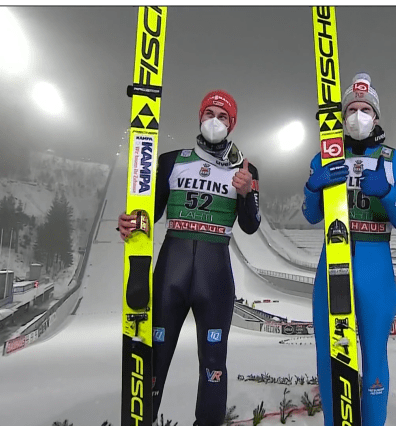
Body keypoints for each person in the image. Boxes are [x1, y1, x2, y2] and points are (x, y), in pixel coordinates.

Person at [118, 90, 261, 426]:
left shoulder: (245, 169)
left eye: (222, 117)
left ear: (232, 124)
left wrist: (246, 193)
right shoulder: (172, 161)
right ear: (200, 117)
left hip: (215, 277)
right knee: (153, 357)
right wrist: (129, 221)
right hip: (172, 271)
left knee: (213, 363)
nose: (215, 121)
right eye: (209, 114)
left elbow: (251, 225)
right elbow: (149, 213)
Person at [301, 73, 396, 426]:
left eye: (365, 109)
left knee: (374, 356)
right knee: (329, 356)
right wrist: (313, 187)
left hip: (375, 265)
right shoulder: (324, 157)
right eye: (351, 109)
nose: (358, 116)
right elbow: (310, 215)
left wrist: (388, 193)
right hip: (332, 261)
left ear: (376, 116)